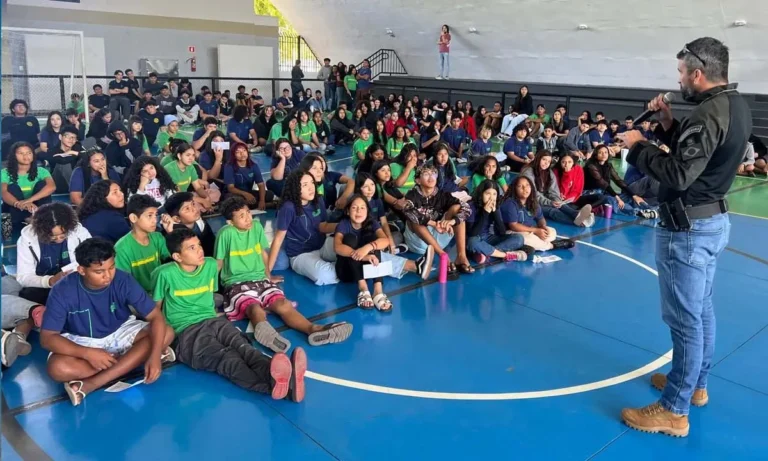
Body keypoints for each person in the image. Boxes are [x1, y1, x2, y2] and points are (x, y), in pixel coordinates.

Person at [617, 37, 752, 437]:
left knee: (684, 319)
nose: (678, 80)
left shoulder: (708, 114)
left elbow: (678, 174)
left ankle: (674, 409)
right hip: (710, 222)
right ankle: (694, 385)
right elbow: (698, 156)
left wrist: (639, 147)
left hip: (687, 230)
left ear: (697, 73)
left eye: (681, 73)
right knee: (701, 312)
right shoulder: (733, 106)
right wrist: (668, 125)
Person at [152, 228, 306, 402]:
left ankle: (287, 379)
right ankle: (279, 388)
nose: (200, 250)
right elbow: (155, 309)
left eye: (199, 245)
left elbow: (208, 297)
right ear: (177, 257)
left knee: (245, 349)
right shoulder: (163, 274)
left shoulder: (209, 265)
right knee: (226, 358)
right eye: (192, 248)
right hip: (186, 331)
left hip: (214, 321)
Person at [41, 238, 176, 406]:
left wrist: (155, 357)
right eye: (99, 271)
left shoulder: (123, 280)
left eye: (111, 268)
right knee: (58, 368)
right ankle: (133, 359)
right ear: (81, 270)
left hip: (121, 330)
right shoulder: (62, 291)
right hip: (83, 340)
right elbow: (48, 338)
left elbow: (155, 316)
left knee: (167, 331)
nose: (108, 276)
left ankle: (92, 383)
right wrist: (87, 353)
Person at [15, 202, 92, 306]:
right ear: (41, 231)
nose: (59, 239)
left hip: (75, 284)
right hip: (42, 287)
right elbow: (24, 277)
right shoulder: (27, 240)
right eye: (52, 236)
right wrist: (50, 281)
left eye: (63, 234)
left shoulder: (80, 233)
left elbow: (92, 259)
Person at [115, 195, 170, 293]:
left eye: (155, 215)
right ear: (133, 218)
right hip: (137, 297)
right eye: (149, 215)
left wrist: (170, 233)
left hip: (161, 291)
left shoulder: (157, 237)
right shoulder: (121, 248)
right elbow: (123, 283)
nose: (155, 220)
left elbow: (173, 262)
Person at [466, 180, 530, 264]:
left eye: (494, 194)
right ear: (481, 194)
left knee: (519, 238)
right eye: (488, 193)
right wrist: (485, 213)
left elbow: (502, 232)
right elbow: (472, 234)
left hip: (489, 238)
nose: (491, 197)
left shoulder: (496, 205)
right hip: (475, 238)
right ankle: (504, 255)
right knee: (472, 242)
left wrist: (495, 212)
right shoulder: (471, 206)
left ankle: (487, 255)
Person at [1, 142, 56, 228]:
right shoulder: (4, 173)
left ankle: (40, 218)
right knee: (12, 187)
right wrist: (19, 204)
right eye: (21, 153)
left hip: (36, 208)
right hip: (15, 209)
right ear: (14, 156)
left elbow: (51, 187)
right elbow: (3, 193)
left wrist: (29, 201)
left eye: (29, 153)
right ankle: (26, 218)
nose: (26, 156)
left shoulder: (41, 171)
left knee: (42, 184)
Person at [160, 192, 215, 257]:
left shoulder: (202, 223)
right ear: (177, 219)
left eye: (193, 204)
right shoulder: (170, 233)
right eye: (187, 208)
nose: (194, 209)